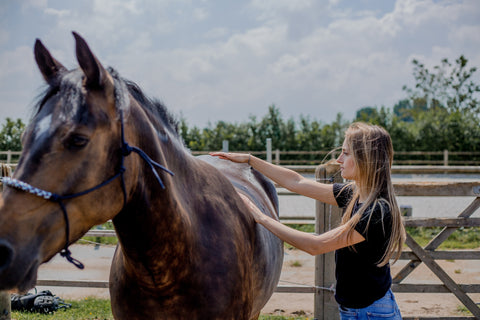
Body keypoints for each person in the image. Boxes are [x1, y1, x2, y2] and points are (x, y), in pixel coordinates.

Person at [210, 122, 405, 320]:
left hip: (373, 312)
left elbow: (315, 245)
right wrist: (250, 160)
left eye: (346, 153)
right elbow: (296, 182)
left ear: (366, 159)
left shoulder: (377, 212)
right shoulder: (353, 194)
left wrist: (261, 218)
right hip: (353, 309)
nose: (338, 160)